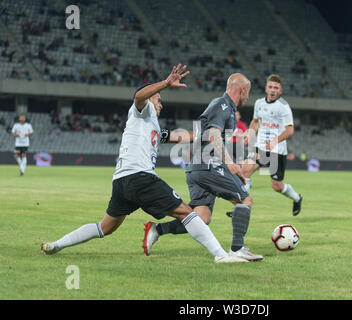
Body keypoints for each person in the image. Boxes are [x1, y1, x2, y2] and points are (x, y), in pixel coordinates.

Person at [41, 64, 247, 264]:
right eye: (158, 99)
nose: (161, 104)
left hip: (121, 182)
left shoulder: (151, 125)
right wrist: (166, 83)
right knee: (187, 213)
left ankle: (56, 245)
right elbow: (139, 96)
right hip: (140, 177)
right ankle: (221, 255)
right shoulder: (141, 110)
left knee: (105, 227)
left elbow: (178, 136)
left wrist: (210, 133)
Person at [143, 73, 263, 262]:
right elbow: (214, 135)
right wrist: (230, 164)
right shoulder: (222, 105)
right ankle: (237, 249)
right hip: (209, 166)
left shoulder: (224, 108)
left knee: (201, 218)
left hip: (198, 168)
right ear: (242, 89)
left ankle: (158, 229)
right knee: (245, 200)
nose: (247, 97)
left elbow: (199, 136)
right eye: (248, 92)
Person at [240, 74, 302, 216]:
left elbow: (290, 130)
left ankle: (297, 198)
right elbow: (256, 121)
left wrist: (274, 141)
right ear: (266, 88)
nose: (273, 90)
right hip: (260, 148)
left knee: (276, 186)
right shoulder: (259, 103)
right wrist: (249, 133)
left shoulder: (283, 107)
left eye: (276, 88)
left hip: (277, 151)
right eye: (270, 87)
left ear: (281, 91)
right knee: (245, 172)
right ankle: (244, 207)